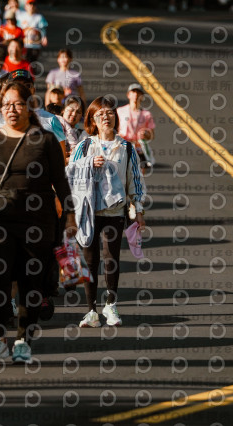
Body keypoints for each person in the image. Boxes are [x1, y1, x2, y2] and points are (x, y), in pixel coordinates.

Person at [0, 81, 76, 364]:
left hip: (38, 224)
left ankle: (23, 341)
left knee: (31, 282)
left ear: (29, 106)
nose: (11, 110)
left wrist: (70, 216)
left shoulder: (46, 140)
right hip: (0, 222)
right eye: (6, 105)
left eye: (17, 104)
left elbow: (60, 182)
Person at [68, 96, 147, 328]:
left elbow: (135, 179)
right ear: (92, 120)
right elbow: (70, 172)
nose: (106, 117)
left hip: (115, 212)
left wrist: (138, 209)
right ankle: (91, 311)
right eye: (100, 114)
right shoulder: (85, 146)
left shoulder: (126, 147)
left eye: (110, 113)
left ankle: (111, 305)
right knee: (90, 261)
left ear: (115, 117)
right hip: (89, 211)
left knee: (112, 259)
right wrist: (89, 163)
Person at [116, 83, 156, 170]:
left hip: (138, 148)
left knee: (139, 175)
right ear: (128, 95)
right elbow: (114, 130)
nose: (136, 95)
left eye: (139, 93)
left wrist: (146, 134)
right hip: (123, 146)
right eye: (133, 92)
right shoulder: (120, 111)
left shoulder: (146, 114)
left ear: (142, 96)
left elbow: (152, 135)